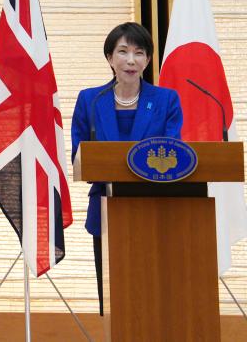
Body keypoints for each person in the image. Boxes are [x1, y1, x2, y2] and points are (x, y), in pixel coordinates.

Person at [70, 22, 183, 315]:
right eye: (122, 51)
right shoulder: (90, 100)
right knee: (112, 298)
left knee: (154, 295)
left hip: (156, 209)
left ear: (147, 60)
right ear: (110, 58)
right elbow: (79, 156)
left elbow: (173, 153)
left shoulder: (166, 100)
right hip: (106, 208)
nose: (131, 60)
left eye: (139, 52)